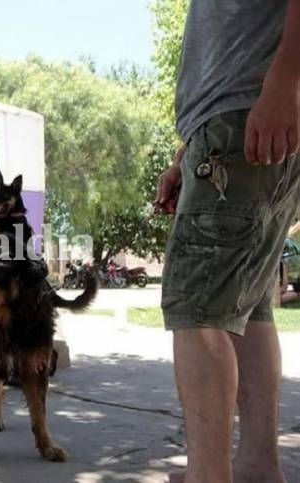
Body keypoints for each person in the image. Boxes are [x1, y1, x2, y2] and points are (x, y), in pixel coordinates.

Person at [155, 1, 300, 482]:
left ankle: (208, 475)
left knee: (194, 305)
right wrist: (185, 153)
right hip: (237, 122)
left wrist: (285, 84)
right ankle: (258, 467)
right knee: (249, 306)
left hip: (247, 117)